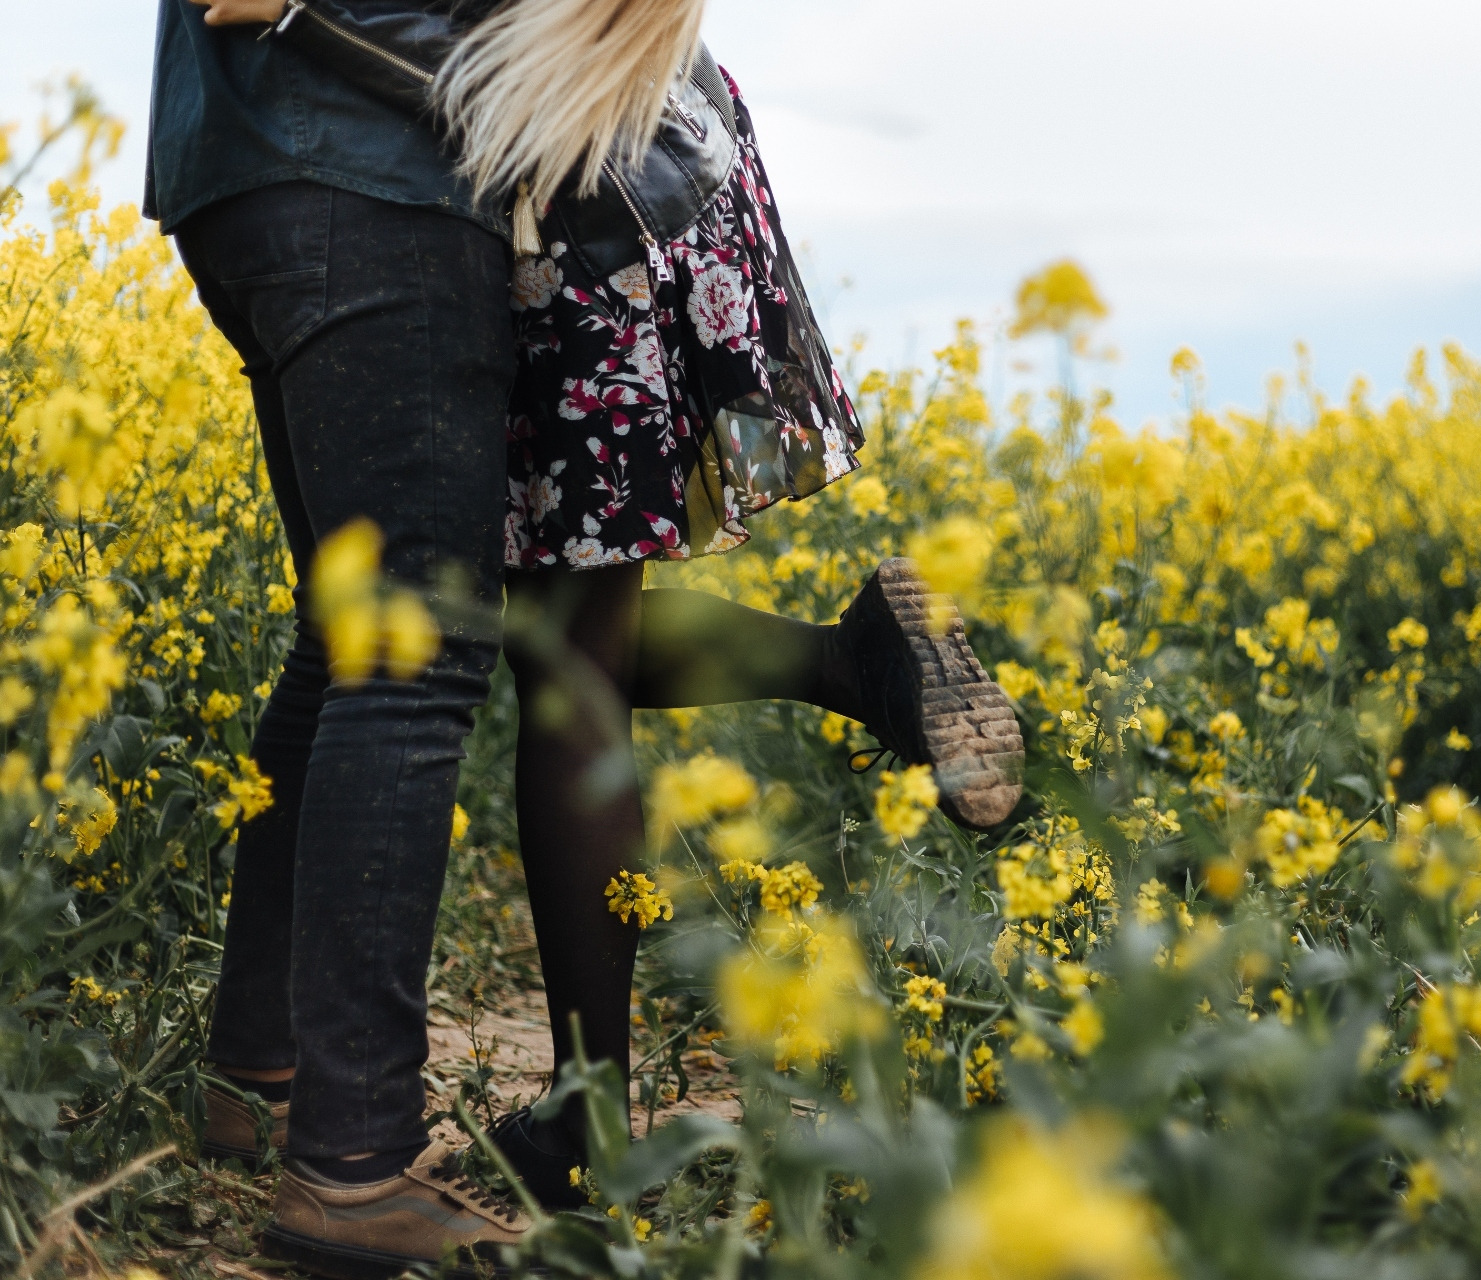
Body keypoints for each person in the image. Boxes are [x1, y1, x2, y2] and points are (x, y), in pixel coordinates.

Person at [159, 0, 1021, 1271]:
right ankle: (470, 1131)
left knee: (456, 643)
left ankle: (444, 1097)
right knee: (518, 645)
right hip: (535, 153)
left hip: (525, 153)